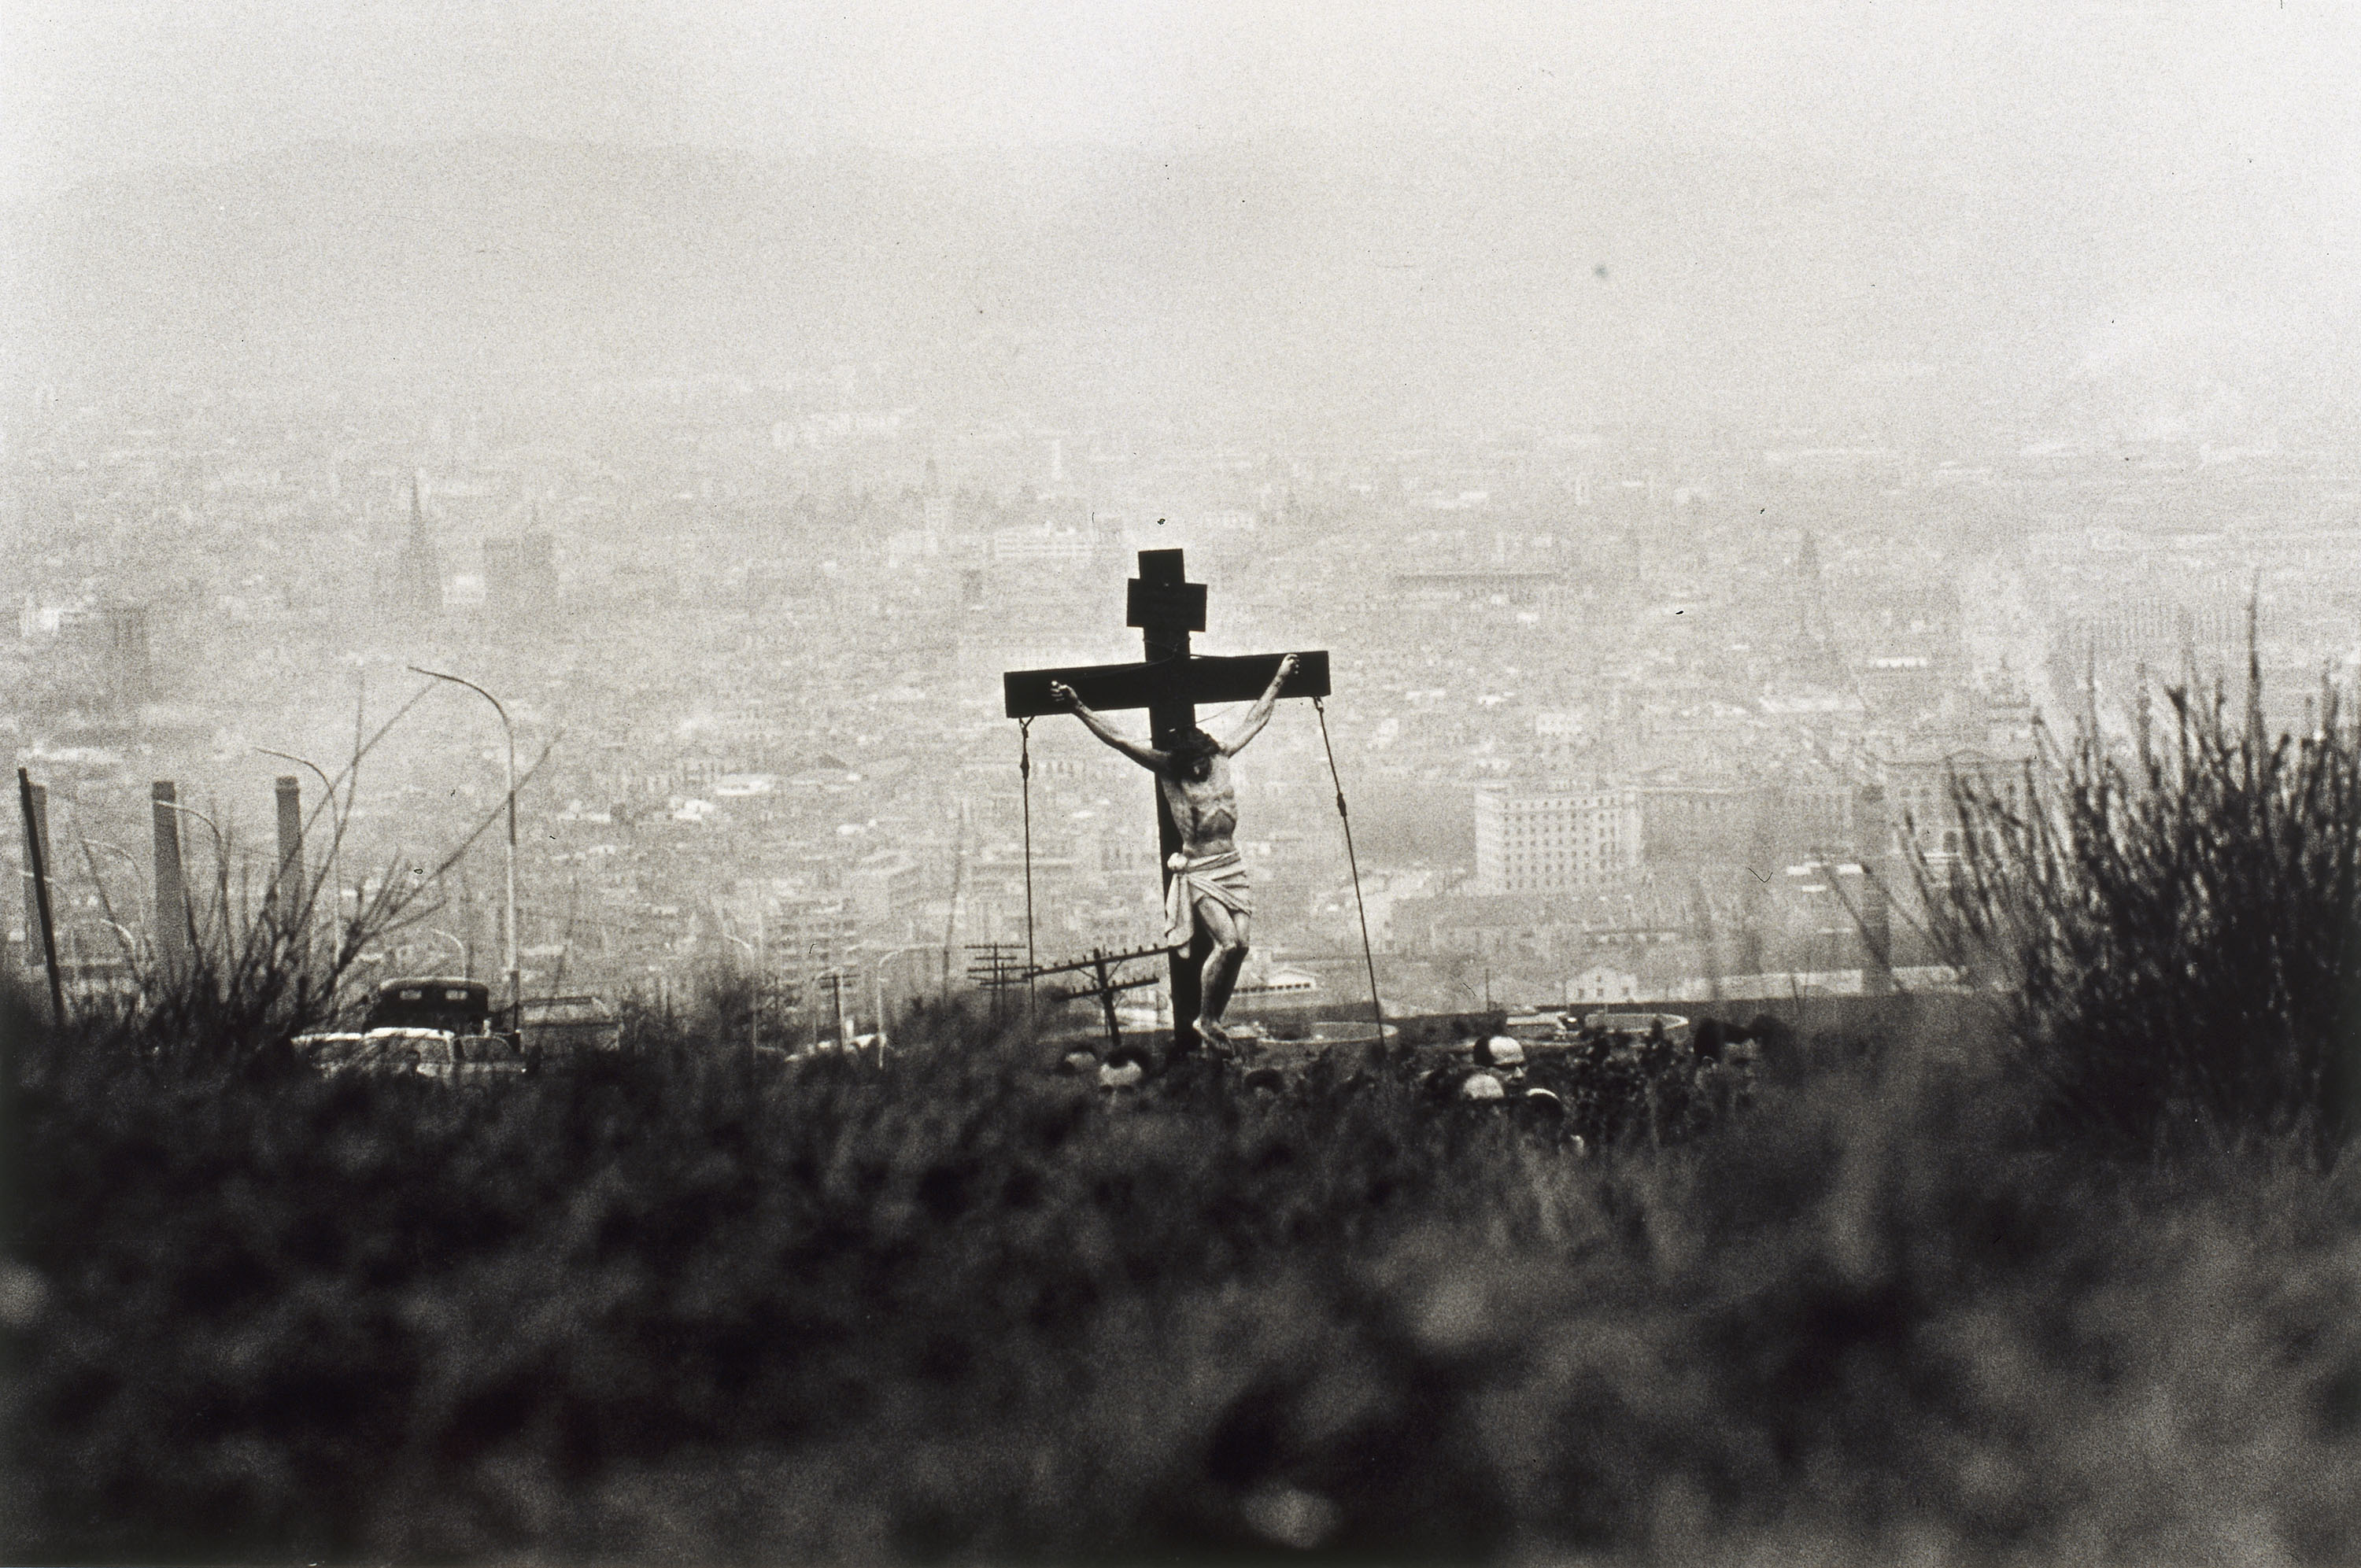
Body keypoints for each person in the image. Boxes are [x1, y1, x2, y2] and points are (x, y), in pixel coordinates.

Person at [1050, 654, 1299, 1053]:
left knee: (1244, 945)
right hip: (1199, 868)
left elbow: (1256, 717)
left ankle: (1213, 1017)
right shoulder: (1169, 769)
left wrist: (1280, 679)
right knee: (1228, 944)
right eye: (1192, 768)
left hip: (1231, 864)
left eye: (1201, 764)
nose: (1198, 772)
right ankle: (1207, 1018)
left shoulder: (1221, 755)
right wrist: (1079, 707)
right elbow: (1119, 740)